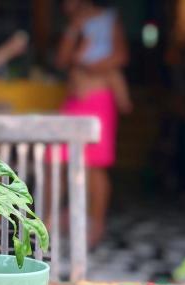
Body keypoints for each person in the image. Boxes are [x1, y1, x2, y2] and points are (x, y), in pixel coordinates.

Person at [56, 0, 131, 248]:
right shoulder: (74, 24)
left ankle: (96, 224)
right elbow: (61, 61)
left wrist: (88, 64)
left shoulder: (109, 19)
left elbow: (121, 56)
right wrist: (73, 31)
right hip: (74, 99)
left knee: (95, 165)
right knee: (58, 159)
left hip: (98, 98)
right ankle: (58, 216)